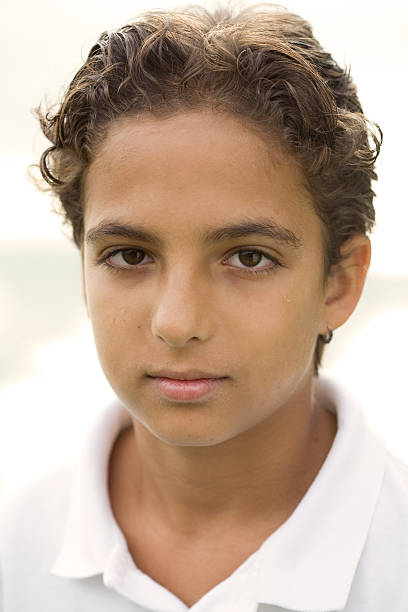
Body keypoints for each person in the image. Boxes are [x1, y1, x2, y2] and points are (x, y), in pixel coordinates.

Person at [1, 3, 407, 611]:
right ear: (84, 273)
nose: (178, 322)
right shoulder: (16, 544)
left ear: (340, 284)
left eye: (248, 258)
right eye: (129, 255)